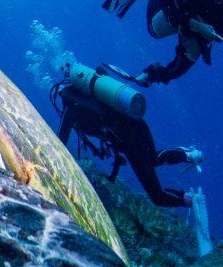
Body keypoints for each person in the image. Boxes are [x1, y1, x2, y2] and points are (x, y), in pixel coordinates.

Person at [53, 74, 201, 209]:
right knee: (153, 162)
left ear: (60, 95)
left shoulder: (70, 108)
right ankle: (187, 166)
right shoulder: (93, 97)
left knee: (156, 194)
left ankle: (188, 195)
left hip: (128, 138)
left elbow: (58, 144)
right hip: (136, 125)